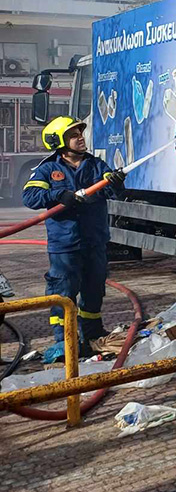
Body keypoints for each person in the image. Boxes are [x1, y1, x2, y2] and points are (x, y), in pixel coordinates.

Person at [22, 116, 124, 361]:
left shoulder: (97, 165)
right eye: (74, 134)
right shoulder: (49, 169)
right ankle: (65, 341)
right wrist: (59, 195)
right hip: (65, 245)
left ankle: (92, 336)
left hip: (94, 241)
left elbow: (113, 191)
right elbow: (30, 196)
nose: (81, 137)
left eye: (81, 133)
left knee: (93, 290)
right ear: (60, 141)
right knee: (63, 293)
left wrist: (117, 183)